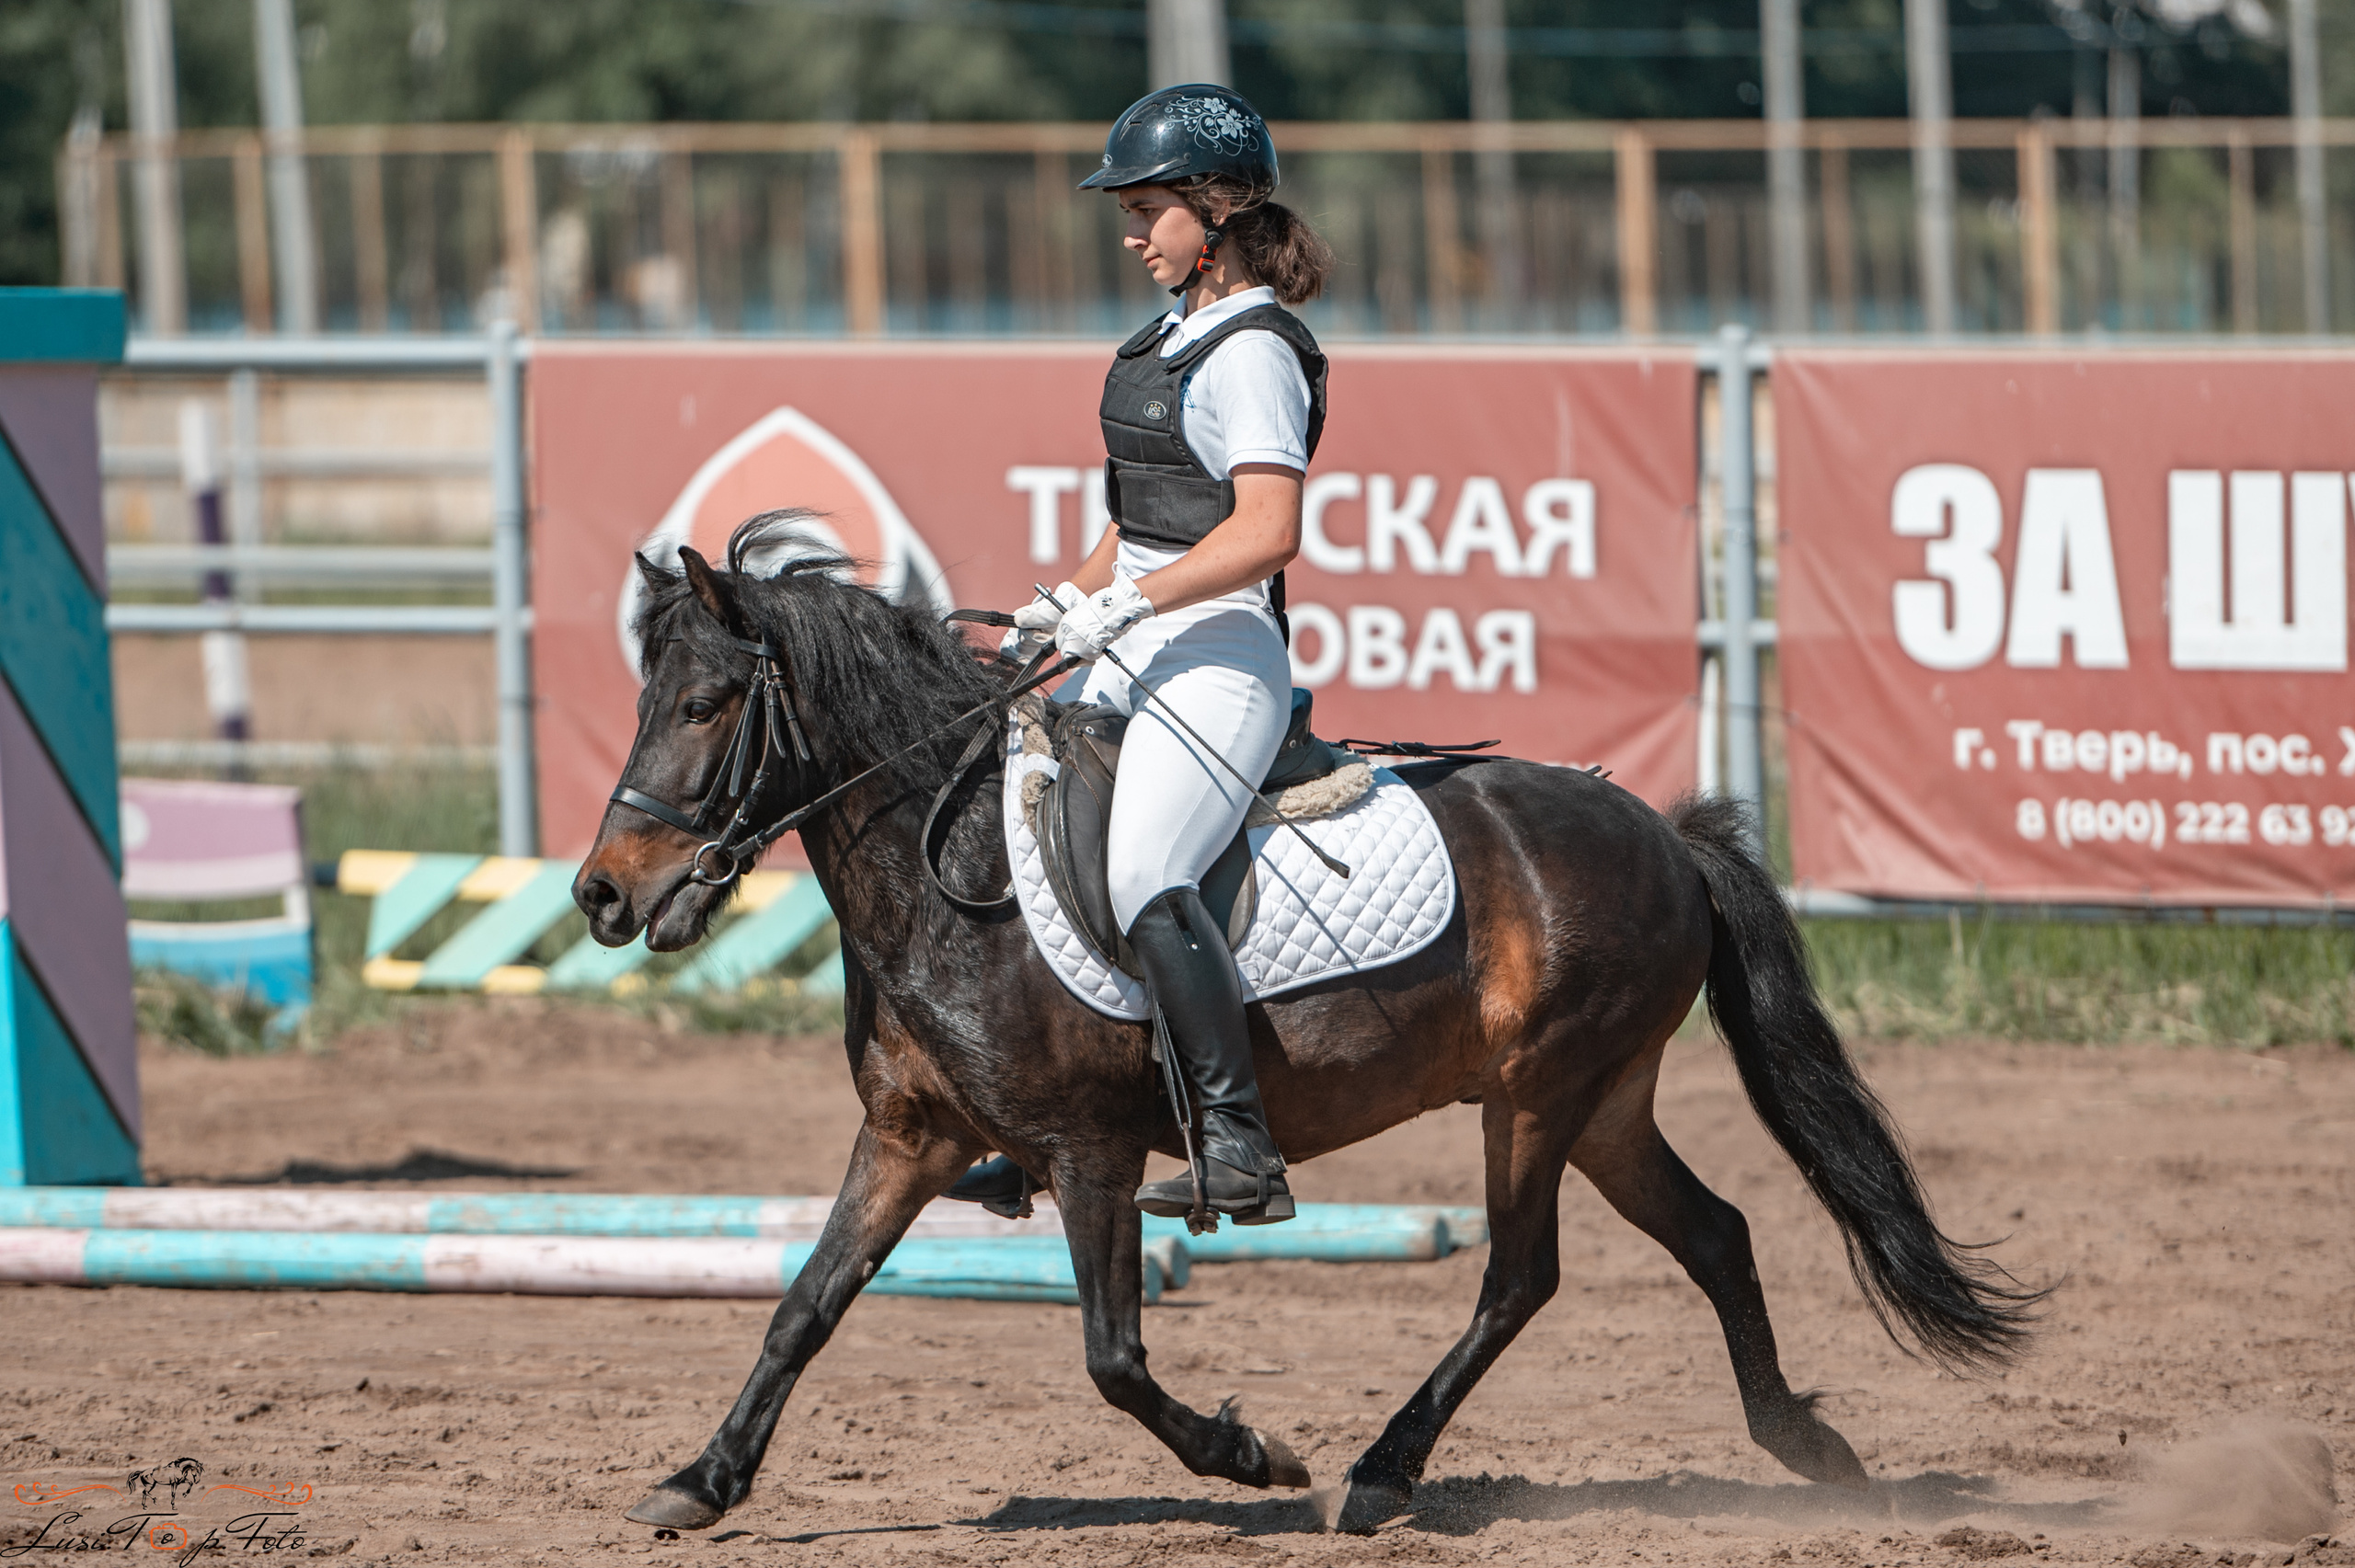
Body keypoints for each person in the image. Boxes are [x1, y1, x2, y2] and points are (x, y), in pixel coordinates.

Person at [949, 84, 1335, 1226]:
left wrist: (1126, 608)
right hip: (1135, 635)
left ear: (1217, 208)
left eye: (1144, 209)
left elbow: (1267, 531)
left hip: (1217, 654)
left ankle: (1237, 1143)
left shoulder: (1252, 352)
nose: (1129, 233)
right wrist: (1055, 607)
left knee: (1143, 876)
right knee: (1030, 845)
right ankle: (1041, 1126)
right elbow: (1140, 527)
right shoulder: (1169, 339)